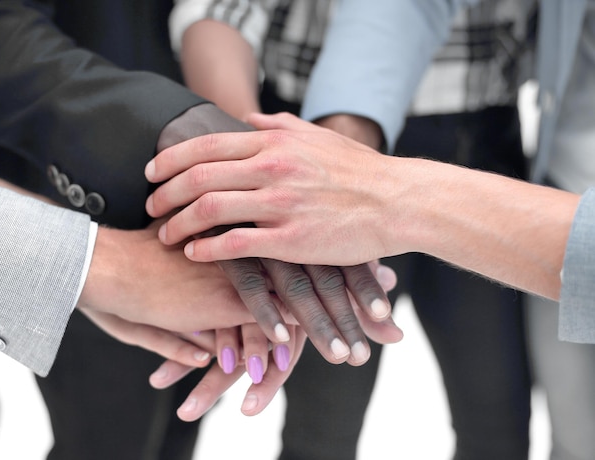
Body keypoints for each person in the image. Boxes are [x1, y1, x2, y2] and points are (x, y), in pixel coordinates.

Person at [0, 2, 396, 458]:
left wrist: (251, 167)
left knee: (179, 431)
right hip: (74, 192)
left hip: (237, 201)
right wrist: (99, 262)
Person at [169, 0, 533, 457]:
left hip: (482, 151)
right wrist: (253, 164)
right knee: (323, 428)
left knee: (499, 421)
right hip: (309, 138)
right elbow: (218, 12)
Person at [145, 0, 595, 351]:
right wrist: (281, 163)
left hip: (491, 148)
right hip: (325, 120)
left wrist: (389, 195)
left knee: (498, 418)